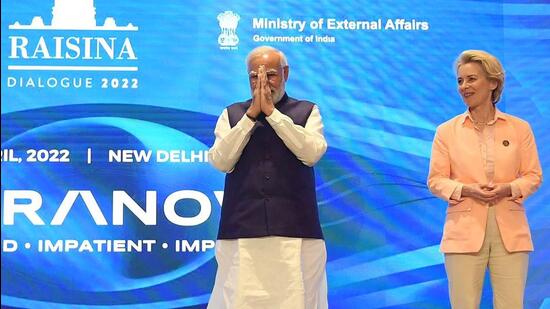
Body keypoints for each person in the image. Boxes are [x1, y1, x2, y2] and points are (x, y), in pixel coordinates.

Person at [207, 46, 328, 309]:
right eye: (254, 76)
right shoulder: (233, 114)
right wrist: (251, 117)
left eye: (271, 75)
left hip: (296, 230)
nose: (262, 82)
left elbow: (311, 153)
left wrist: (273, 115)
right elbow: (220, 160)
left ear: (286, 73)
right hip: (241, 230)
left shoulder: (307, 112)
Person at [428, 50, 543, 309]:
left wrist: (508, 188)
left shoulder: (519, 128)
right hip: (463, 232)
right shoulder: (446, 131)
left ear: (493, 82)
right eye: (460, 81)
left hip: (511, 234)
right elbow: (436, 180)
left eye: (471, 79)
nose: (464, 87)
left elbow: (533, 176)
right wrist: (466, 189)